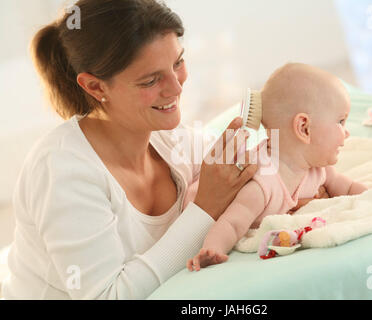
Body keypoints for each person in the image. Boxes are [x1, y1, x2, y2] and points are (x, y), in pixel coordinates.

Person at [2, 0, 261, 299]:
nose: (176, 88)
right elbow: (108, 296)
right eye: (151, 80)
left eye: (178, 63)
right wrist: (206, 208)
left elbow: (257, 180)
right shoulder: (62, 171)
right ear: (96, 87)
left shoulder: (172, 141)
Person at [187, 63, 368, 271]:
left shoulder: (318, 167)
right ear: (304, 128)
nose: (347, 133)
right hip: (197, 207)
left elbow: (349, 189)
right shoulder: (261, 183)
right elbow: (231, 224)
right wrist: (212, 249)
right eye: (341, 121)